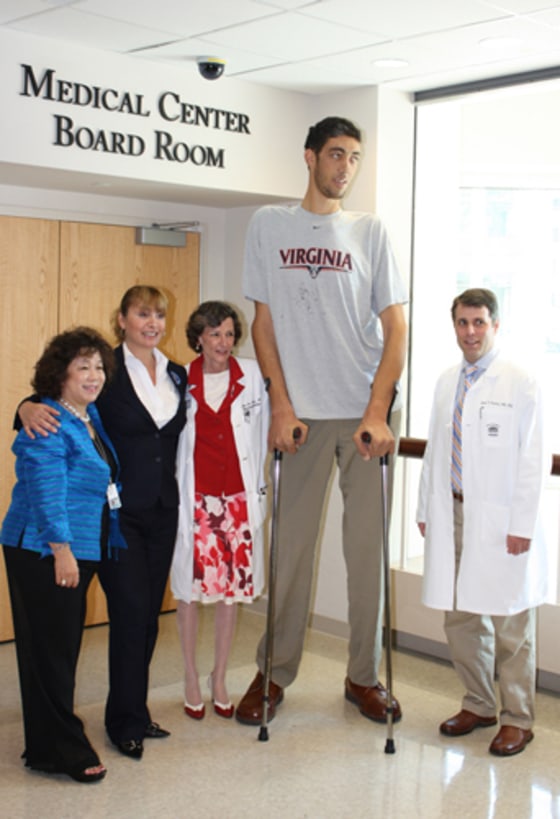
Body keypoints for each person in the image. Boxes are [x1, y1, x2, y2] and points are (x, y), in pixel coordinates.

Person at [235, 116, 408, 726]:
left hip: (363, 419)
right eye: (336, 155)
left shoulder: (371, 231)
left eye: (355, 158)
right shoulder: (270, 225)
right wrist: (280, 403)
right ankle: (273, 673)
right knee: (291, 551)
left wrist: (378, 411)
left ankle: (363, 677)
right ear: (309, 158)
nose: (345, 168)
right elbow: (262, 323)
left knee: (366, 555)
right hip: (300, 416)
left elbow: (396, 329)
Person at [18, 285, 187, 760]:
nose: (151, 323)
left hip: (162, 513)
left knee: (148, 621)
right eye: (141, 314)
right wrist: (22, 408)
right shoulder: (103, 370)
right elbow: (53, 402)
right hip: (117, 520)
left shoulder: (176, 374)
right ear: (122, 319)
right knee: (131, 616)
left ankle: (133, 709)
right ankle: (123, 724)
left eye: (158, 315)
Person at [417, 287, 550, 757]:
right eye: (462, 323)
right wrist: (424, 509)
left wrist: (522, 524)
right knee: (461, 616)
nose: (470, 332)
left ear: (495, 325)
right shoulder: (446, 379)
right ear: (453, 326)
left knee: (511, 619)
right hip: (452, 509)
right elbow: (436, 449)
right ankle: (479, 702)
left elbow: (532, 458)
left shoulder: (520, 380)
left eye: (478, 323)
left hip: (499, 515)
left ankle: (518, 718)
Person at [2, 327, 126, 784]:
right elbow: (46, 489)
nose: (93, 375)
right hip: (43, 547)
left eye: (98, 366)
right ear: (60, 374)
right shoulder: (48, 420)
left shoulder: (86, 417)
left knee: (52, 647)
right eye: (82, 367)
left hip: (77, 545)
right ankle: (63, 749)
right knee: (52, 650)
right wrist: (62, 551)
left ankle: (43, 744)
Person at [171, 301, 269, 719]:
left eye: (229, 334)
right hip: (195, 500)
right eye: (215, 335)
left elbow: (263, 434)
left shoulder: (251, 378)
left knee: (232, 593)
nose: (223, 343)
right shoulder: (179, 380)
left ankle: (220, 676)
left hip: (238, 500)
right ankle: (191, 675)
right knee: (189, 592)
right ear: (199, 338)